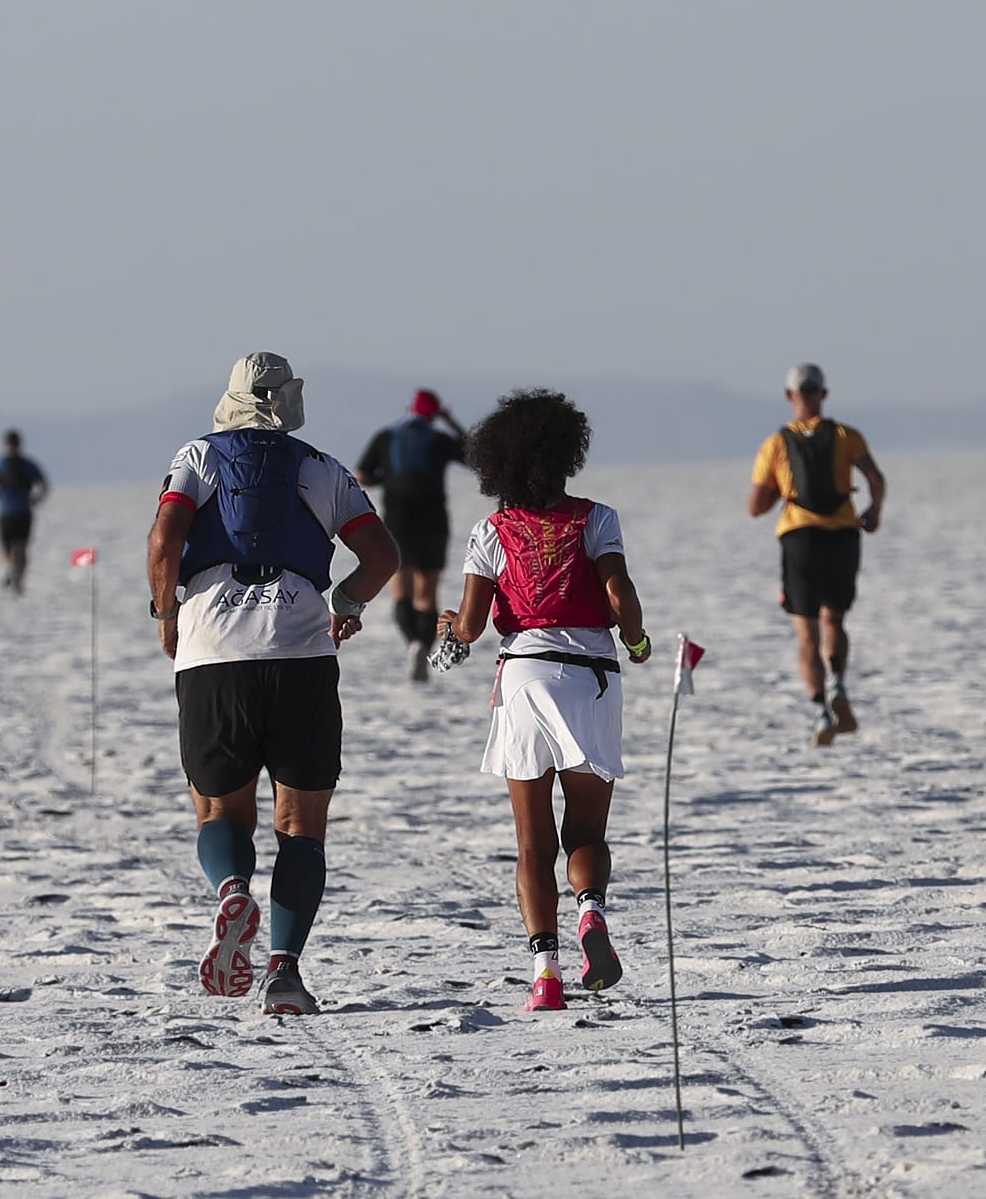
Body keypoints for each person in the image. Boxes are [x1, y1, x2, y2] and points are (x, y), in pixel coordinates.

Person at [147, 353, 399, 1016]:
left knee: (221, 810)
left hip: (212, 652)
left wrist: (167, 613)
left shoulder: (197, 458)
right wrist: (345, 604)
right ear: (288, 404)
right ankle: (285, 972)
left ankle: (232, 887)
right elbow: (383, 556)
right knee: (302, 828)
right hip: (301, 652)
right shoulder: (322, 468)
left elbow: (163, 543)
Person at [436, 389, 652, 1012]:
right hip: (591, 675)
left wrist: (448, 627)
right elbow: (620, 596)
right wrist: (635, 642)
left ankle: (545, 975)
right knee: (586, 829)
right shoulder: (596, 518)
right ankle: (590, 915)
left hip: (524, 677)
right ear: (566, 456)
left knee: (533, 841)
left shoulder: (490, 530)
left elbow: (471, 628)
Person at [748, 364, 887, 746]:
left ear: (790, 396)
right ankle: (839, 683)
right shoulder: (846, 435)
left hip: (800, 538)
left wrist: (782, 490)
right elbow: (875, 479)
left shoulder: (776, 444)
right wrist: (873, 511)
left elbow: (756, 505)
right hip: (842, 535)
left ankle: (819, 710)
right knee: (835, 621)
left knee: (805, 632)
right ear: (823, 394)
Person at [355, 389, 467, 681]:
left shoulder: (387, 437)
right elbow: (473, 455)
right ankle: (424, 646)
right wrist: (451, 421)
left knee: (401, 592)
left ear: (410, 409)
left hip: (397, 522)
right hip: (433, 523)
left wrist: (387, 480)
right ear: (434, 414)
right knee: (427, 595)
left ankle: (414, 643)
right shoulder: (440, 440)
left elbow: (362, 474)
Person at [0, 430, 48, 593]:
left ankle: (12, 574)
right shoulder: (28, 465)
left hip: (6, 512)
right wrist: (36, 499)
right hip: (22, 512)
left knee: (9, 549)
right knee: (20, 548)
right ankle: (16, 577)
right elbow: (44, 485)